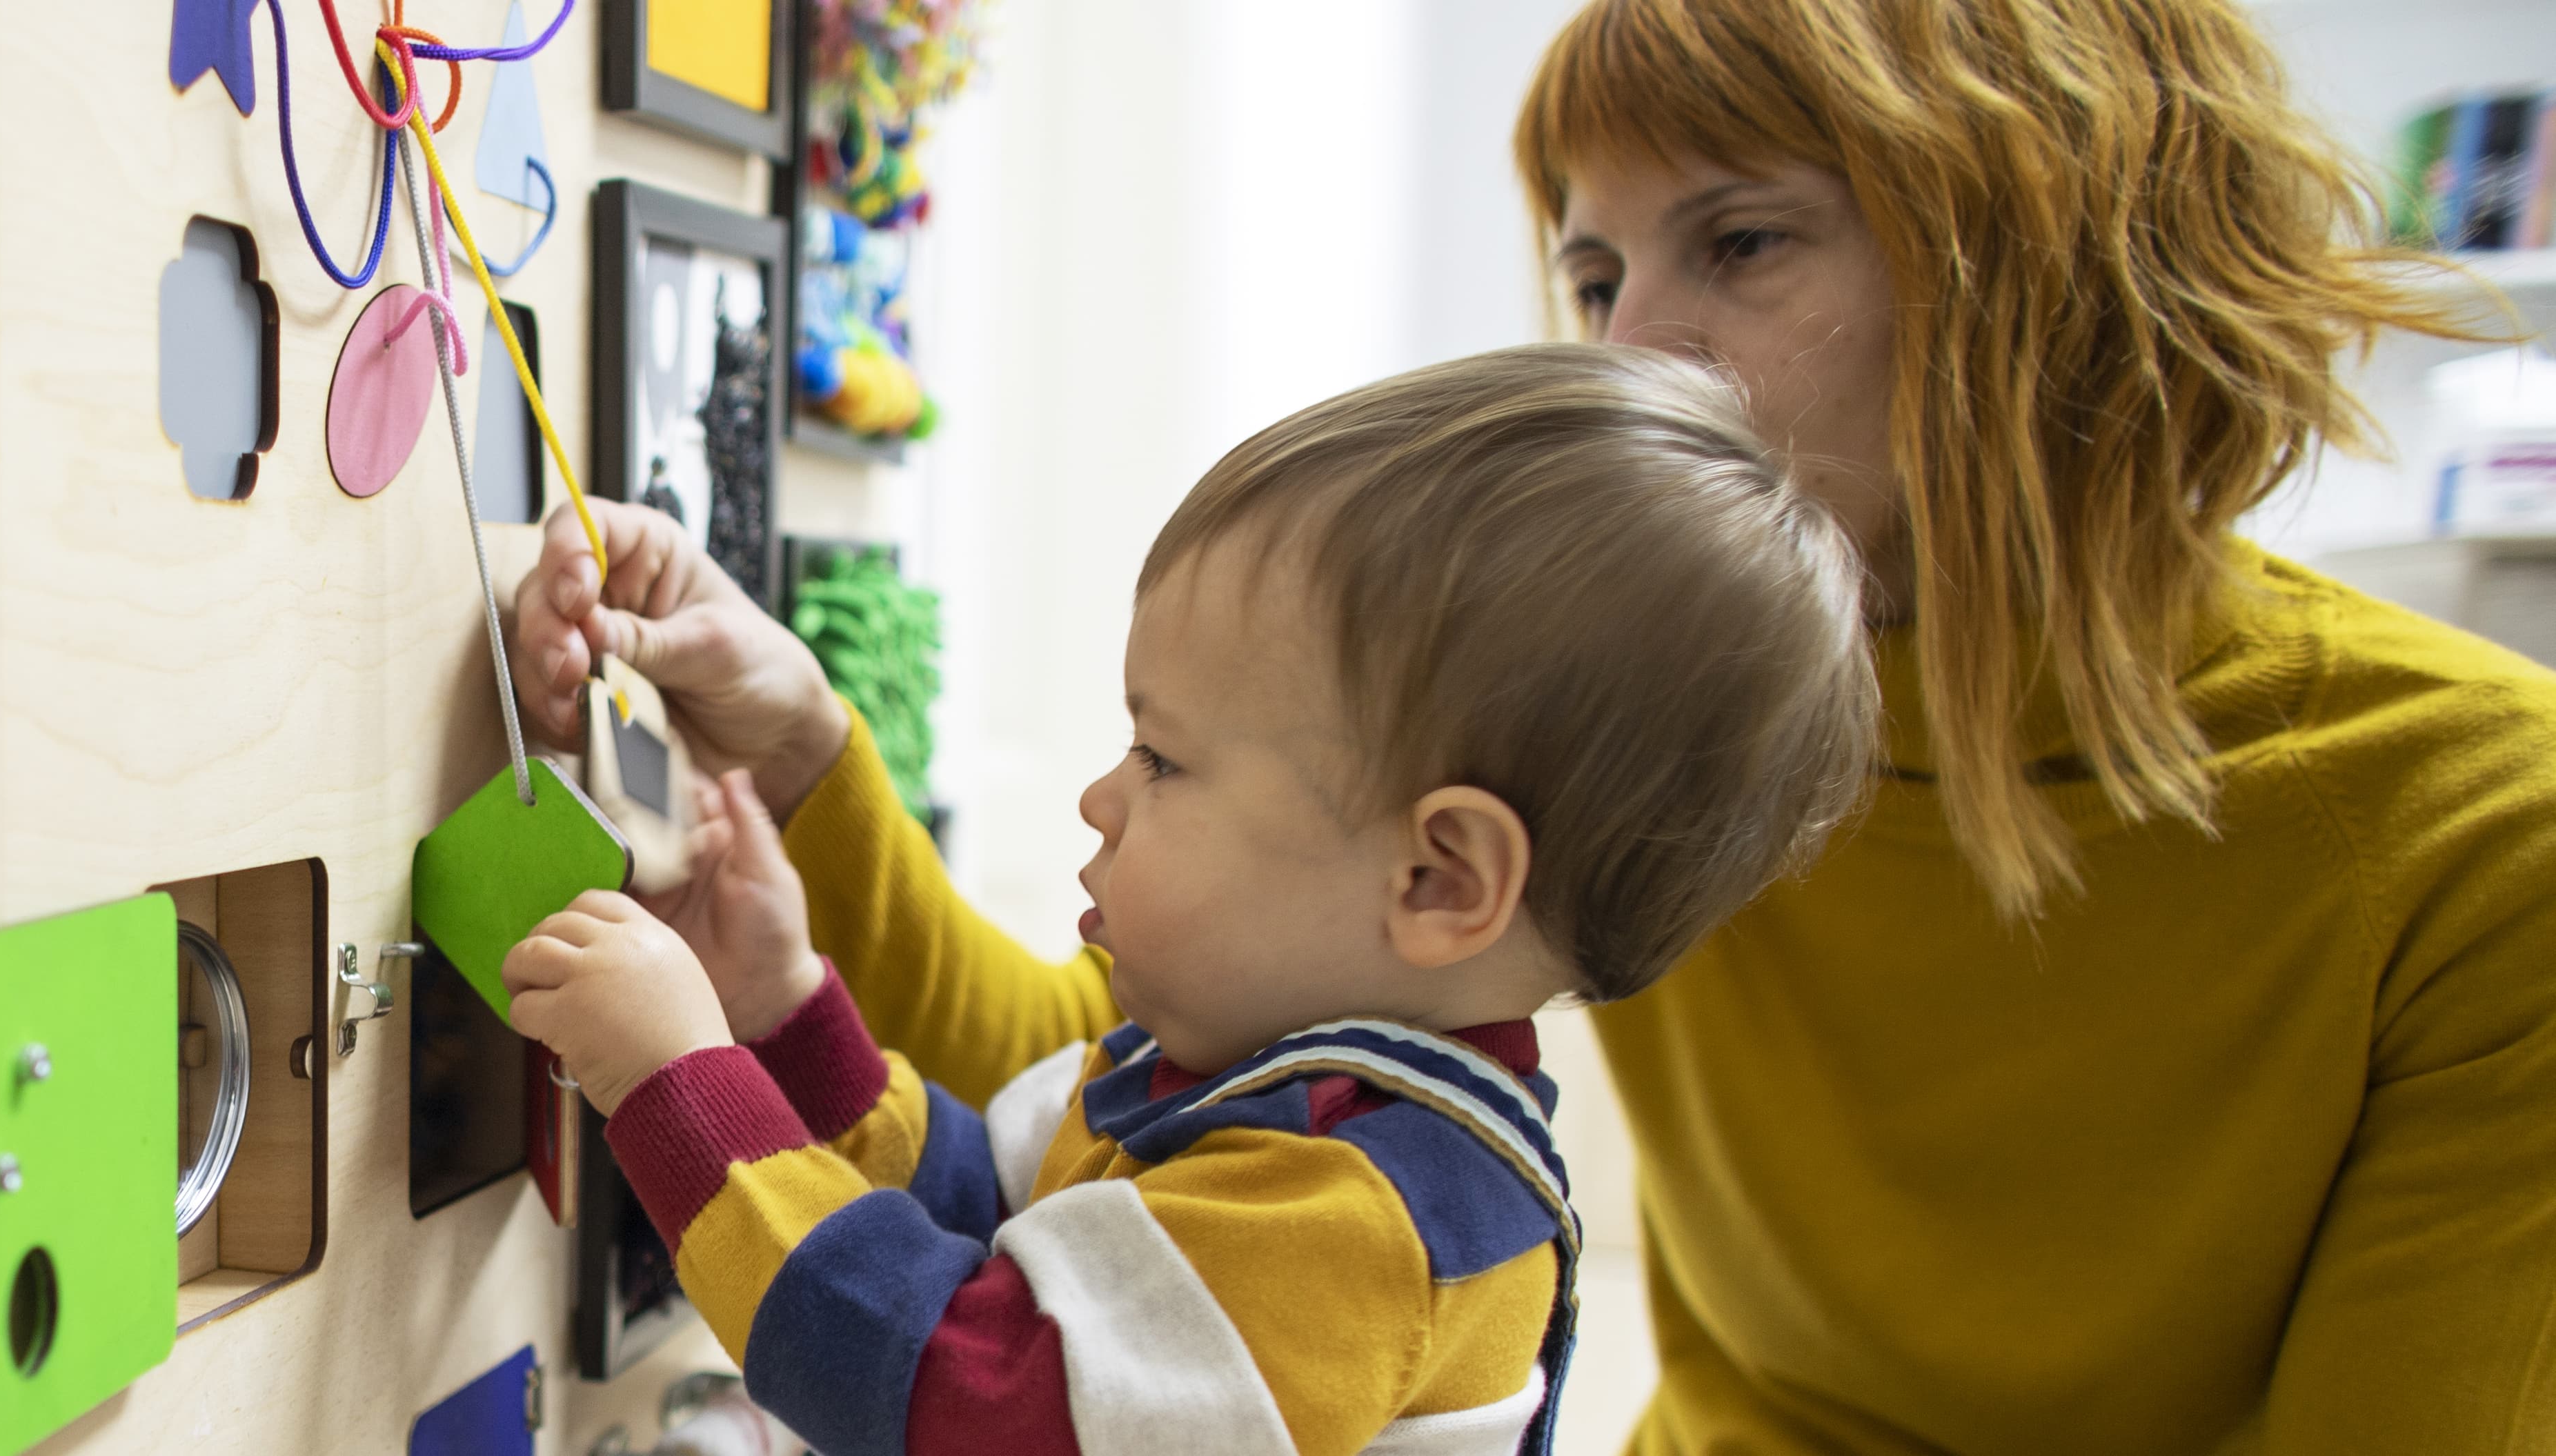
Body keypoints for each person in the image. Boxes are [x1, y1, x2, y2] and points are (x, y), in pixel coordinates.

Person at [515, 1, 2556, 1448]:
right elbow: (1124, 1102)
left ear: (2049, 254)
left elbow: (1003, 1355)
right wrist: (791, 778)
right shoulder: (1638, 699)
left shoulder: (2475, 830)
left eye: (1737, 244)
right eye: (1590, 274)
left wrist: (694, 1088)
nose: (1634, 353)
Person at [502, 346, 1880, 1455]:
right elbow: (998, 1223)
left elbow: (967, 1394)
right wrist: (785, 1016)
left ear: (1437, 879)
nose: (1102, 798)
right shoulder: (1260, 1085)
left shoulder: (1365, 1220)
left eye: (1162, 759)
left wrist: (683, 1081)